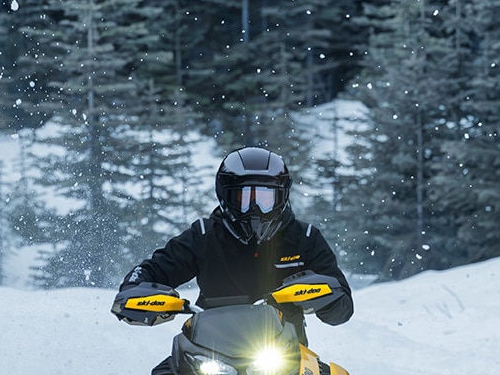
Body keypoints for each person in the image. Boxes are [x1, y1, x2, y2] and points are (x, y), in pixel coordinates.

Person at [112, 147, 353, 351]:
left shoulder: (305, 238)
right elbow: (151, 271)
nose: (255, 209)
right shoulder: (204, 236)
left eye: (265, 199)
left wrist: (325, 298)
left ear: (282, 198)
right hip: (210, 354)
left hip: (286, 355)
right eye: (245, 199)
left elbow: (342, 309)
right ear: (225, 197)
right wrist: (136, 292)